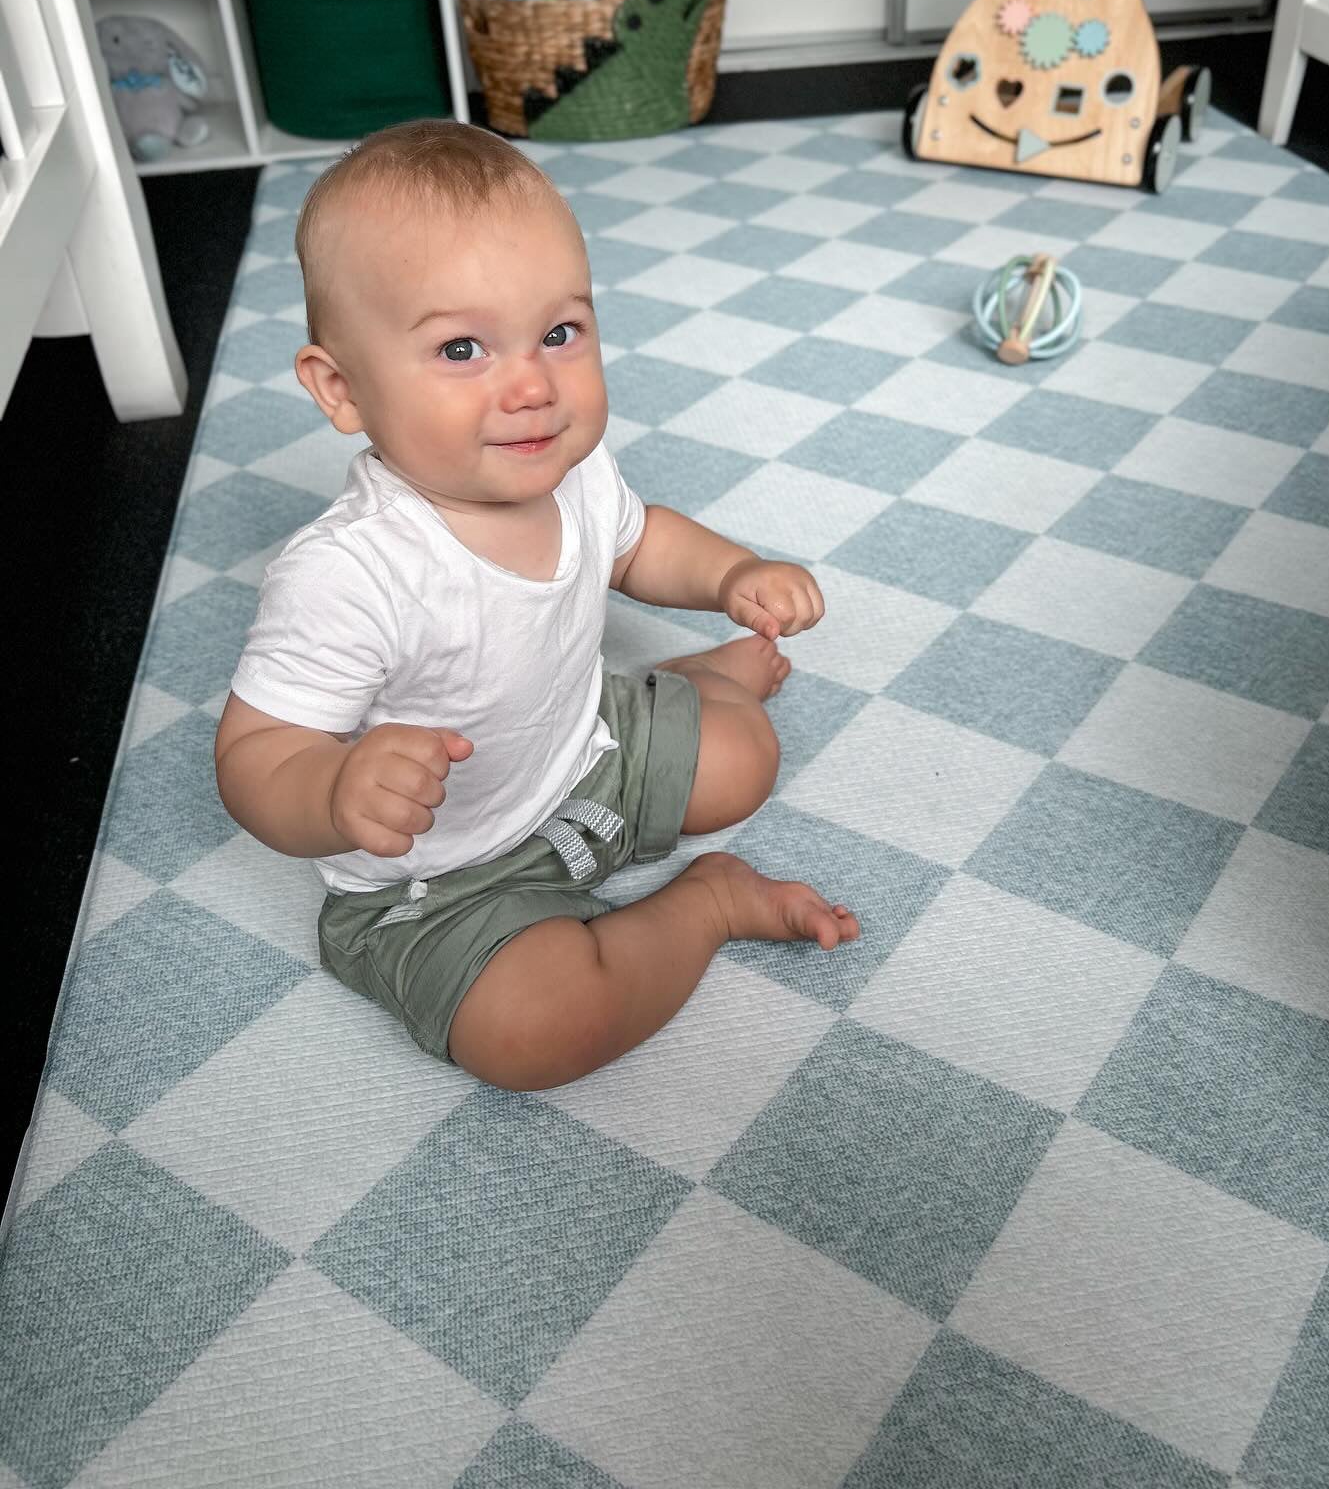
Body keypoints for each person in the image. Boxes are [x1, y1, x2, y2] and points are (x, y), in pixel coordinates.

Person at [214, 119, 859, 1092]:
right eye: (463, 347)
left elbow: (643, 544)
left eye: (560, 334)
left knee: (746, 763)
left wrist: (731, 574)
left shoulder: (574, 472)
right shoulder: (351, 573)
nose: (532, 387)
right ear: (341, 388)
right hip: (434, 879)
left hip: (579, 750)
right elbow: (254, 755)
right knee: (536, 1031)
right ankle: (711, 904)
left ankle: (690, 680)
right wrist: (337, 790)